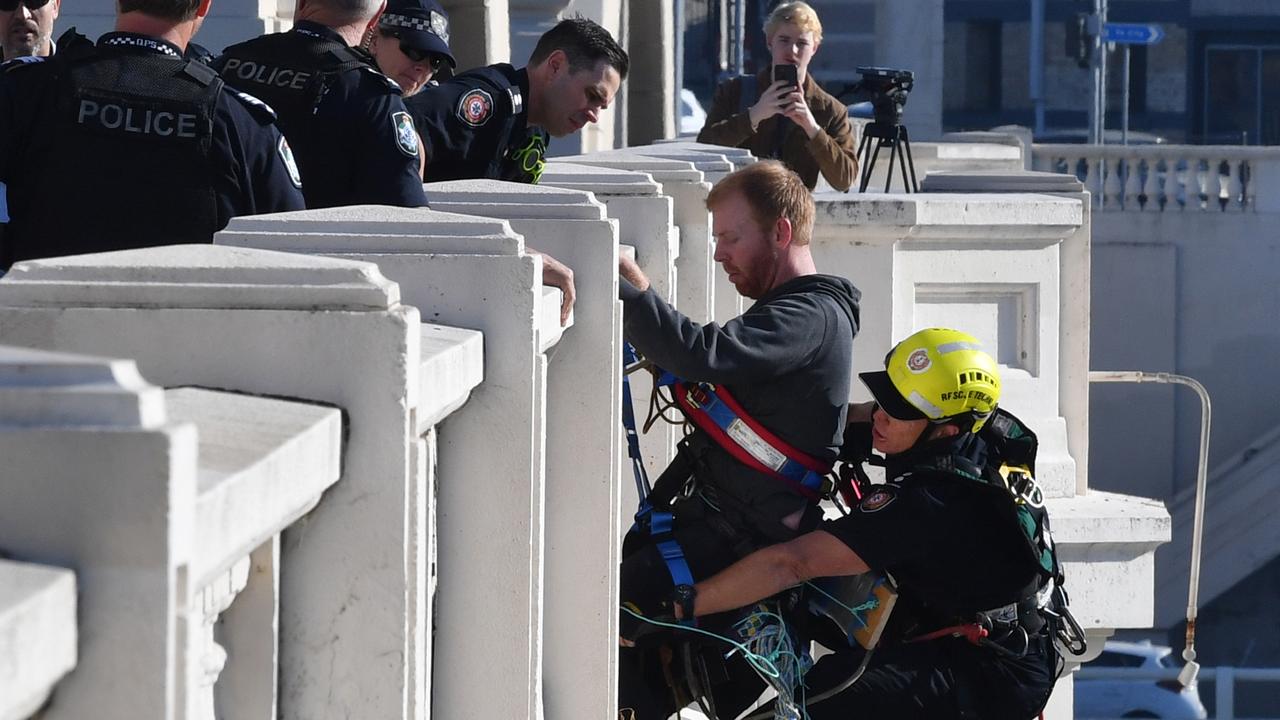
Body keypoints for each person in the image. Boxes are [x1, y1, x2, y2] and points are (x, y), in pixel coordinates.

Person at [627, 328, 1070, 720]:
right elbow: (850, 421)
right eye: (883, 399)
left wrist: (679, 609)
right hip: (992, 626)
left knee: (821, 698)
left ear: (945, 431)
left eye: (895, 412)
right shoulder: (981, 434)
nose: (878, 415)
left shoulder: (931, 500)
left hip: (989, 668)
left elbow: (792, 564)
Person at [614, 160, 861, 719]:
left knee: (608, 624)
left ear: (780, 232)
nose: (720, 252)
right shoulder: (805, 314)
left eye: (731, 236)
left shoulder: (808, 315)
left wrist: (619, 289)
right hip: (721, 526)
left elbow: (706, 354)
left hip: (735, 537)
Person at [0, 0, 305, 271]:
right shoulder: (241, 121)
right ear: (203, 6)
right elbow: (291, 254)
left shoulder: (27, 90)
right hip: (187, 328)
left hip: (40, 326)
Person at [213, 0, 428, 209]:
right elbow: (405, 212)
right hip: (314, 241)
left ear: (302, 3)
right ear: (377, 15)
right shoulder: (373, 95)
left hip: (214, 240)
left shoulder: (229, 62)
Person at [404, 16, 627, 184]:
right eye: (592, 96)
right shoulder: (489, 101)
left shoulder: (536, 130)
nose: (594, 116)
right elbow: (404, 129)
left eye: (601, 107)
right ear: (556, 66)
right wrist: (416, 214)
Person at [696, 1, 857, 192]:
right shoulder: (734, 91)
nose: (793, 50)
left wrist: (812, 128)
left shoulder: (830, 110)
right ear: (769, 42)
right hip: (741, 210)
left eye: (802, 43)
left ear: (814, 48)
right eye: (784, 40)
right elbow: (703, 149)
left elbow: (845, 179)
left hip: (793, 215)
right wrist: (754, 115)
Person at [361, 0, 454, 98]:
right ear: (374, 41)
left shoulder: (433, 107)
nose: (423, 67)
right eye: (415, 51)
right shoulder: (345, 90)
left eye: (436, 61)